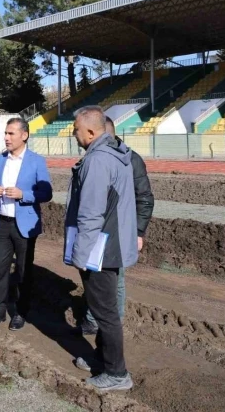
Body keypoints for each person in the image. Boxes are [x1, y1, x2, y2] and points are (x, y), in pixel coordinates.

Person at [64, 106, 137, 391]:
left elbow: (91, 213)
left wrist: (80, 254)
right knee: (105, 310)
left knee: (105, 313)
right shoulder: (116, 154)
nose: (73, 132)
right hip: (112, 244)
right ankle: (102, 358)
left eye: (76, 128)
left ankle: (117, 374)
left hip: (100, 250)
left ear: (91, 132)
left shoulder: (97, 160)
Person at [76, 116, 154, 336]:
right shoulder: (97, 158)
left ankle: (109, 324)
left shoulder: (131, 159)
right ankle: (96, 317)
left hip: (119, 231)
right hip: (100, 228)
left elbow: (144, 197)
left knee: (115, 280)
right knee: (96, 278)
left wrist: (138, 231)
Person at [0, 117, 53, 330]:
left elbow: (47, 192)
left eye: (11, 133)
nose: (6, 138)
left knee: (24, 271)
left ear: (24, 135)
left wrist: (24, 194)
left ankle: (21, 312)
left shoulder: (36, 161)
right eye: (5, 133)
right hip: (2, 224)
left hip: (24, 225)